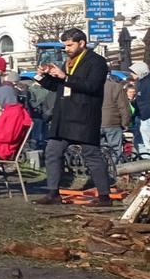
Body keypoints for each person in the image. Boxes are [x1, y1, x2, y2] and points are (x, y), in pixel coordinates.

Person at [35, 28, 111, 207]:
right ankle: (53, 193)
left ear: (82, 43)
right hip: (64, 118)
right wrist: (42, 77)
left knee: (92, 154)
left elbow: (92, 86)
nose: (67, 49)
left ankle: (104, 196)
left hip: (84, 117)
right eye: (65, 46)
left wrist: (65, 77)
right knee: (53, 151)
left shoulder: (97, 62)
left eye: (70, 45)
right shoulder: (68, 62)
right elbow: (59, 87)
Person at [100, 72, 131, 165]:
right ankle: (116, 170)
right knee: (115, 149)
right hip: (112, 122)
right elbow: (124, 107)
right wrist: (125, 123)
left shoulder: (90, 86)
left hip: (95, 122)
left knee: (100, 149)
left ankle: (102, 171)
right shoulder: (116, 87)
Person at [134, 62, 150, 158]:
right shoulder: (141, 82)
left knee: (145, 132)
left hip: (146, 114)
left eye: (134, 72)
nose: (131, 74)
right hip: (143, 113)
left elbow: (145, 100)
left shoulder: (146, 83)